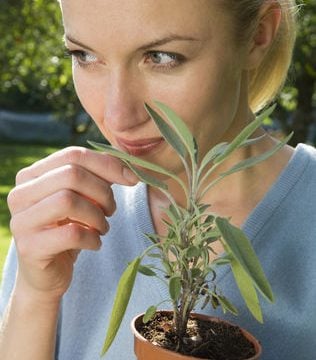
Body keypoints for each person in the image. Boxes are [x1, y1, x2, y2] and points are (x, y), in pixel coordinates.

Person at [1, 0, 315, 359]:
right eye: (84, 55)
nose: (117, 116)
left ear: (258, 36)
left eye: (162, 57)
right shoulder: (63, 209)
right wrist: (34, 295)